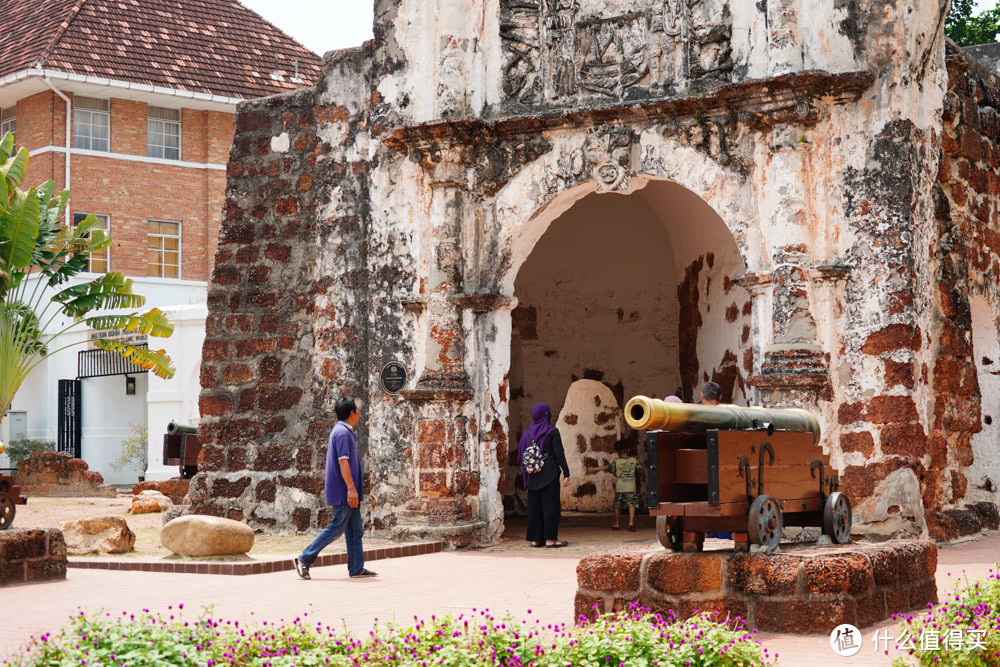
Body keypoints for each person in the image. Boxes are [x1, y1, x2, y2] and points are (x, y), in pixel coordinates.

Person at [294, 397, 377, 580]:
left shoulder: (345, 431)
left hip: (348, 489)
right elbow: (343, 462)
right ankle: (305, 558)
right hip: (344, 490)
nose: (359, 414)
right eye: (357, 410)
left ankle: (356, 568)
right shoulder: (341, 433)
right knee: (337, 526)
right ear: (351, 413)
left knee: (355, 529)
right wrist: (351, 489)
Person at [519, 402, 571, 548]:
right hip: (549, 474)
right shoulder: (552, 431)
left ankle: (536, 540)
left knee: (534, 508)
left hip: (533, 475)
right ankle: (550, 540)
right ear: (546, 414)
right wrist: (566, 472)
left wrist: (529, 470)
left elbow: (520, 455)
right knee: (550, 507)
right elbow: (559, 454)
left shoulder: (527, 433)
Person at [587, 439, 641, 531]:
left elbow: (607, 467)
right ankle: (631, 523)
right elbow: (639, 470)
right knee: (631, 505)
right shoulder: (634, 460)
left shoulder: (617, 462)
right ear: (628, 450)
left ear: (616, 452)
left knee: (617, 506)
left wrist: (593, 469)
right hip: (631, 487)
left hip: (620, 487)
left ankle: (616, 524)